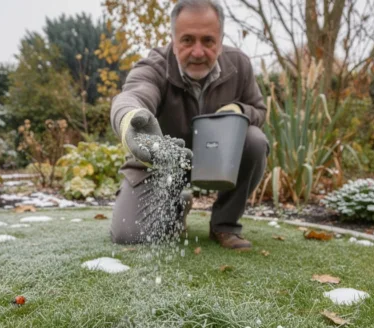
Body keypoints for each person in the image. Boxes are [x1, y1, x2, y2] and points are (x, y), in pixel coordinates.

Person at [109, 0, 268, 250]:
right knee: (128, 233)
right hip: (162, 160)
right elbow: (133, 96)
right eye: (187, 40)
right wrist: (130, 118)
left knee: (255, 140)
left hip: (217, 159)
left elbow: (259, 109)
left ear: (220, 38)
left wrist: (240, 111)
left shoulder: (240, 65)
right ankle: (176, 207)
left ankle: (224, 224)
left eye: (207, 41)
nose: (197, 52)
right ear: (173, 40)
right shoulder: (154, 66)